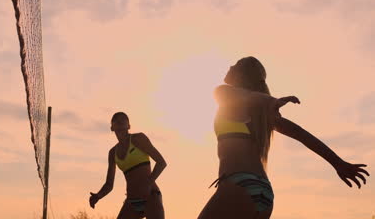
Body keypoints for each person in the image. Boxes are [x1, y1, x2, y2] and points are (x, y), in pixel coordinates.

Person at [198, 56, 369, 219]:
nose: (230, 66)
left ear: (241, 74)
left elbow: (246, 96)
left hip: (238, 185)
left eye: (235, 64)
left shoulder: (224, 92)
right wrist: (337, 163)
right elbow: (301, 134)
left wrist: (271, 101)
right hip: (264, 192)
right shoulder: (261, 113)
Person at [89, 112, 167, 219]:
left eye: (123, 119)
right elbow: (109, 184)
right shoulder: (112, 153)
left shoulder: (138, 139)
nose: (120, 121)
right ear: (112, 127)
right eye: (116, 120)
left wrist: (148, 183)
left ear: (129, 126)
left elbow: (161, 162)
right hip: (132, 202)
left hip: (150, 197)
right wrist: (98, 196)